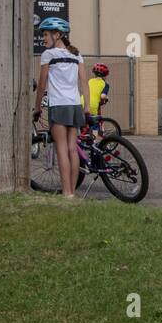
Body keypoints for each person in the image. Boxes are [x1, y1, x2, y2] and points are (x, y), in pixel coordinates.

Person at [33, 17, 87, 199]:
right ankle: (73, 191)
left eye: (46, 34)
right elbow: (84, 82)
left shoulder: (48, 55)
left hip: (58, 105)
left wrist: (37, 107)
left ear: (58, 35)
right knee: (72, 150)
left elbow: (42, 84)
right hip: (74, 106)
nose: (44, 38)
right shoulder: (77, 55)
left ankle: (66, 193)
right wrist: (86, 106)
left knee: (62, 149)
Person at [87, 63, 110, 132]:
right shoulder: (105, 84)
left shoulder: (90, 81)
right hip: (92, 105)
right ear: (105, 75)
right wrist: (107, 98)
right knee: (94, 125)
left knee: (85, 123)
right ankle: (93, 141)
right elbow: (102, 96)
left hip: (82, 102)